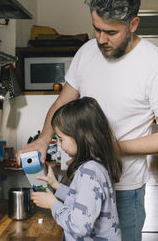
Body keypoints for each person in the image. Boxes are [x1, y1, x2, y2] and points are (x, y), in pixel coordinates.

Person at [18, 0, 158, 240]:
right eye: (97, 29)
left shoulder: (157, 66)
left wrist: (106, 148)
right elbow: (63, 103)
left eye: (111, 32)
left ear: (133, 24)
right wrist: (42, 139)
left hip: (125, 189)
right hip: (78, 181)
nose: (101, 39)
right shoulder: (86, 52)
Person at [31, 97, 122, 241]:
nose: (59, 145)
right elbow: (84, 200)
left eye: (61, 139)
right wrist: (56, 185)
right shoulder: (96, 164)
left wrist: (52, 204)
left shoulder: (89, 171)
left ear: (81, 137)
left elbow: (79, 226)